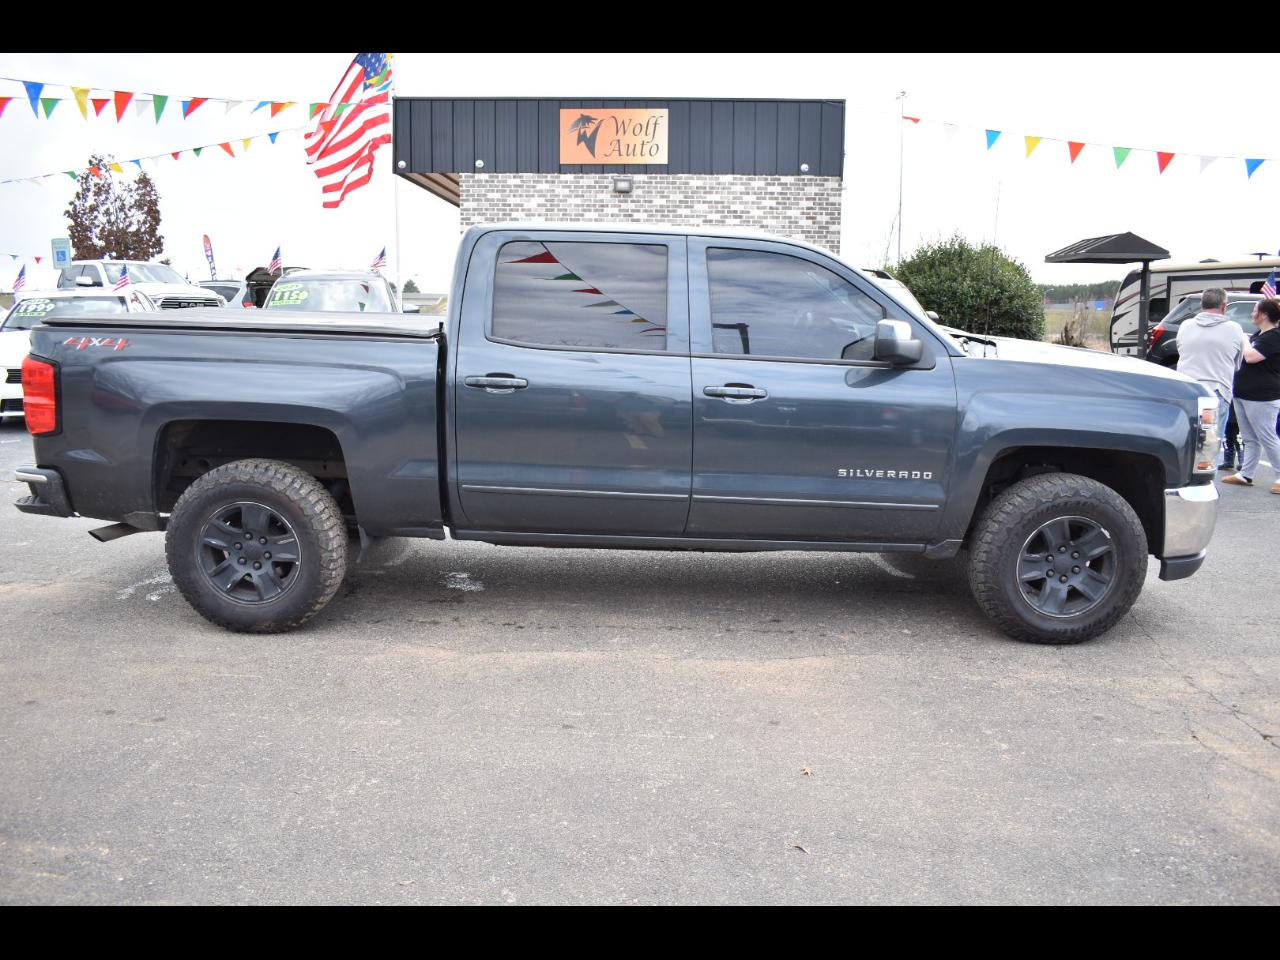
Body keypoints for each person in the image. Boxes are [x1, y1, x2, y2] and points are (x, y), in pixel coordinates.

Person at [1175, 287, 1249, 455]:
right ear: (1224, 306)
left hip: (1187, 389)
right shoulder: (1234, 329)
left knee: (1187, 443)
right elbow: (1237, 364)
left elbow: (1181, 350)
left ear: (1202, 305)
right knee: (1209, 446)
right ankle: (1206, 480)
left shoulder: (1185, 326)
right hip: (1217, 390)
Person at [1221, 298, 1280, 493]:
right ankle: (1246, 474)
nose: (1252, 313)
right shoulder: (1259, 335)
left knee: (1267, 437)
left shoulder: (1274, 336)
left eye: (1255, 310)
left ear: (1264, 315)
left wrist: (1245, 340)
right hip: (1243, 393)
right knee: (1249, 437)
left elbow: (1252, 357)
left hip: (1262, 396)